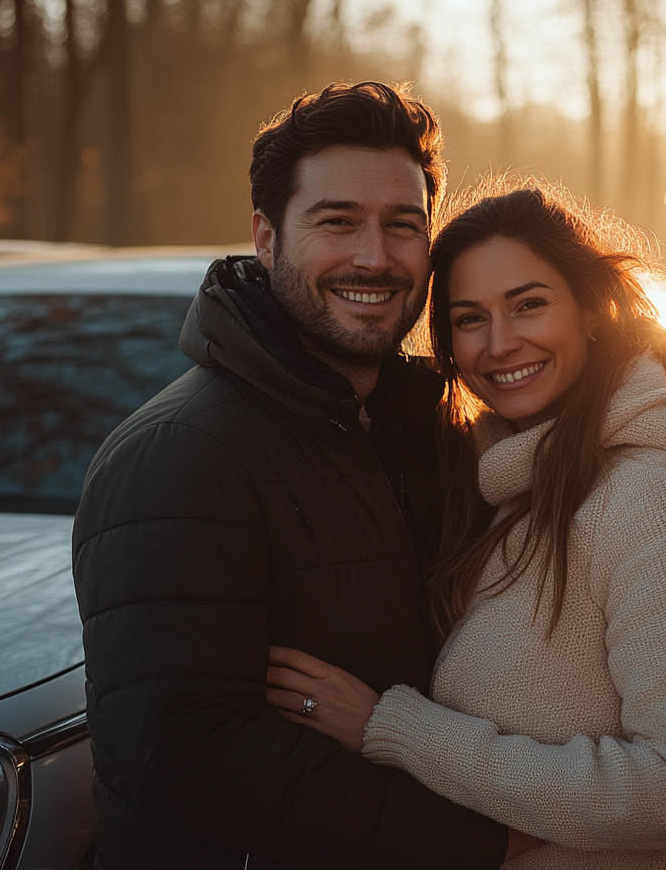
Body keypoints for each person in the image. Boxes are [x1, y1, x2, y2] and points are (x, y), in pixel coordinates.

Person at [72, 82, 527, 869]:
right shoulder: (179, 454)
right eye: (337, 221)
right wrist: (479, 842)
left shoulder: (435, 434)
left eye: (402, 226)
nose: (374, 257)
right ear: (267, 237)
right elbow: (194, 754)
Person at [265, 185, 666, 868]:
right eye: (470, 319)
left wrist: (400, 731)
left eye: (529, 304)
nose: (501, 345)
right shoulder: (502, 483)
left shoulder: (653, 498)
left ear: (591, 311)